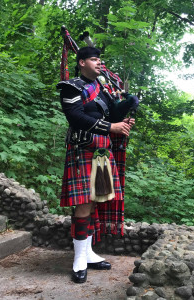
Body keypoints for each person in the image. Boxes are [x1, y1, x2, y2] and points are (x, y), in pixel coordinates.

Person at [57, 46, 138, 283]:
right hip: (82, 150)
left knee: (95, 203)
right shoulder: (71, 87)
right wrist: (110, 128)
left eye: (100, 59)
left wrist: (126, 106)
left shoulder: (103, 89)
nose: (99, 62)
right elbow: (76, 117)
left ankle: (89, 254)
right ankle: (79, 260)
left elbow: (111, 115)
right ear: (82, 63)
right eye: (94, 59)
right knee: (83, 204)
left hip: (102, 152)